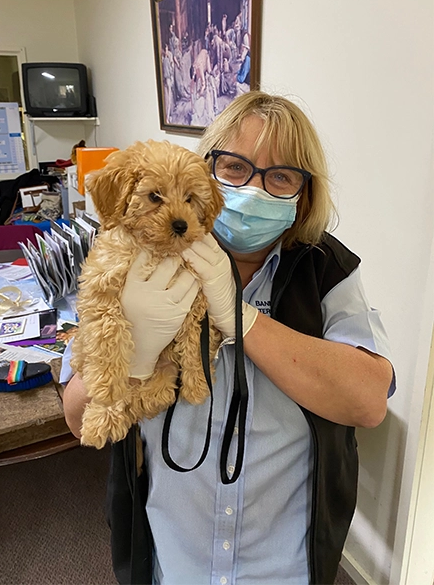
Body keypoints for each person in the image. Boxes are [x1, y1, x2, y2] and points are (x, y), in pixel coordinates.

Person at [62, 91, 394, 585]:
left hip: (284, 566)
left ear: (304, 193)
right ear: (206, 169)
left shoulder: (327, 270)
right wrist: (135, 357)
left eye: (281, 176)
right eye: (235, 167)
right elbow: (75, 416)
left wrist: (241, 320)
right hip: (171, 559)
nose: (254, 190)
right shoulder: (139, 253)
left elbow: (368, 402)